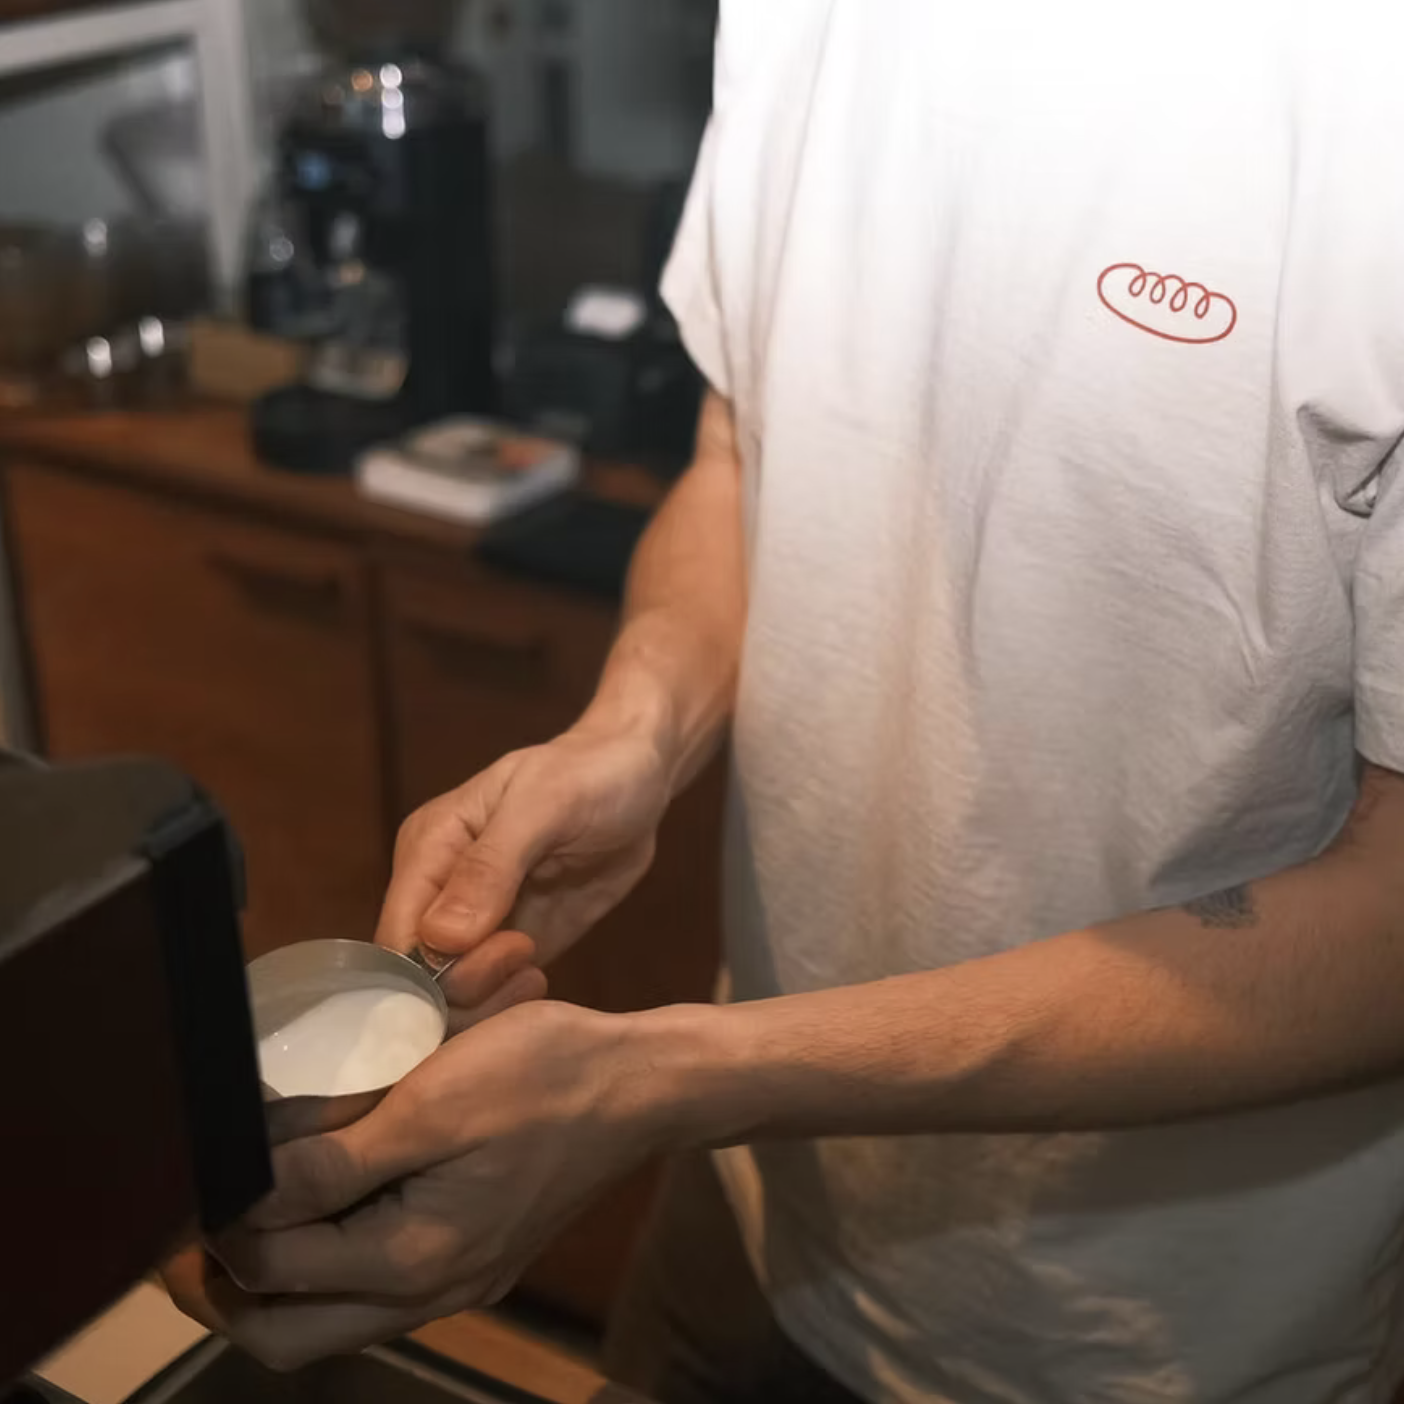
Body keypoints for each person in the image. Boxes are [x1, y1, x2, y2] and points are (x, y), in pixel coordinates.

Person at [166, 3, 1404, 1401]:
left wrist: (677, 1077)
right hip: (758, 1209)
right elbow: (739, 450)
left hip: (1152, 1337)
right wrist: (639, 728)